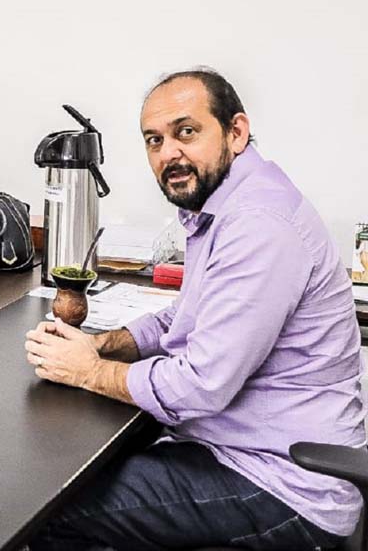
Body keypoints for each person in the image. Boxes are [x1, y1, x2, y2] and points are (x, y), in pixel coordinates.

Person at [24, 69, 365, 550]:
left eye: (186, 132)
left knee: (53, 510)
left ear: (236, 132)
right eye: (153, 141)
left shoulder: (258, 225)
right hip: (237, 451)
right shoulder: (226, 206)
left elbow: (200, 385)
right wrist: (105, 343)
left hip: (282, 485)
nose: (168, 153)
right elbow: (182, 317)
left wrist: (89, 371)